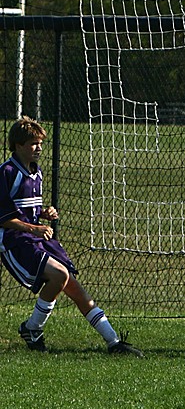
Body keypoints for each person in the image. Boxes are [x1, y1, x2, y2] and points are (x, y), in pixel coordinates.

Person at [0, 116, 142, 356]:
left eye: (40, 143)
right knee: (59, 275)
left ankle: (113, 341)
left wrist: (43, 213)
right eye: (33, 143)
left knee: (73, 286)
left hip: (34, 238)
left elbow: (24, 208)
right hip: (15, 242)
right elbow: (3, 217)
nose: (39, 148)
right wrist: (33, 228)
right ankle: (32, 328)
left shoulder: (37, 172)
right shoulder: (8, 172)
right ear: (18, 145)